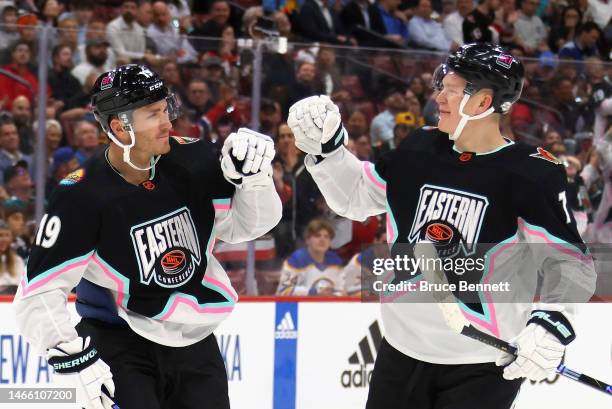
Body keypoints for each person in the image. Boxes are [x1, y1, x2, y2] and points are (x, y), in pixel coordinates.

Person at [287, 43, 596, 408]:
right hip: (401, 352)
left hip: (480, 366)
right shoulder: (420, 147)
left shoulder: (531, 172)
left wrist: (550, 322)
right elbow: (357, 196)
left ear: (482, 103)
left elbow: (570, 261)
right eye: (441, 86)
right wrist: (327, 151)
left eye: (450, 89)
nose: (439, 97)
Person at [13, 64, 282, 409]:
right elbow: (39, 290)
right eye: (153, 114)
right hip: (120, 345)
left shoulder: (193, 159)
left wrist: (255, 181)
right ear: (119, 127)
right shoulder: (81, 194)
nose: (168, 122)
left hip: (194, 342)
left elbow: (249, 226)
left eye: (165, 108)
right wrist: (70, 358)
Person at [276, 218, 344, 295]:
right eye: (317, 236)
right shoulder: (296, 260)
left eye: (326, 236)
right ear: (307, 240)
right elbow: (284, 291)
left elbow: (341, 290)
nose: (322, 240)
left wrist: (334, 295)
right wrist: (313, 292)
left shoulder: (336, 261)